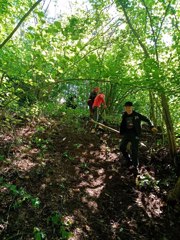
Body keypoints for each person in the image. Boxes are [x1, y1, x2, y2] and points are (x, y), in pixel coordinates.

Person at [119, 101, 157, 169]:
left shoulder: (137, 115)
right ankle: (128, 160)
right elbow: (123, 124)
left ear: (132, 107)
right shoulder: (124, 115)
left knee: (134, 150)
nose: (128, 109)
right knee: (121, 147)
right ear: (125, 108)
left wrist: (152, 126)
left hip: (135, 134)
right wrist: (121, 132)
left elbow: (147, 119)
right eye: (127, 107)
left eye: (129, 107)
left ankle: (135, 166)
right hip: (127, 134)